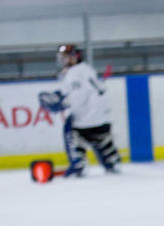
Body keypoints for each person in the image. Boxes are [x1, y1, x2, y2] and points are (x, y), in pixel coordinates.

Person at [38, 44, 121, 177]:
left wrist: (62, 102)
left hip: (86, 120)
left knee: (71, 127)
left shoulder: (74, 73)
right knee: (101, 137)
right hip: (104, 119)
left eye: (66, 57)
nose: (63, 61)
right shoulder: (87, 69)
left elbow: (77, 96)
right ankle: (111, 160)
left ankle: (78, 162)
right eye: (62, 58)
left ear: (74, 57)